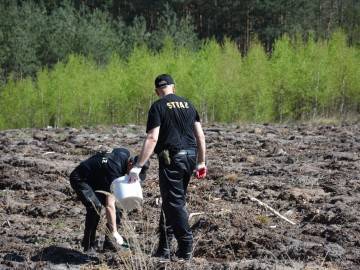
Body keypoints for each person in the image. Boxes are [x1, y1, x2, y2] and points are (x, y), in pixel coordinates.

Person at [129, 74, 206, 261]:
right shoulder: (189, 105)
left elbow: (152, 138)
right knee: (170, 201)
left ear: (157, 91)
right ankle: (163, 247)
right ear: (174, 87)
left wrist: (138, 165)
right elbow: (200, 136)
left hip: (172, 160)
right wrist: (201, 162)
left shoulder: (158, 106)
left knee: (174, 203)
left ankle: (186, 246)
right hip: (190, 158)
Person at [69, 148, 150, 255]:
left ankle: (109, 244)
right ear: (130, 164)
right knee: (95, 206)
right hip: (81, 178)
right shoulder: (114, 171)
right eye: (134, 174)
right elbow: (109, 206)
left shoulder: (124, 152)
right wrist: (115, 232)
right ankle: (88, 245)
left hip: (99, 177)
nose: (134, 177)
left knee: (119, 204)